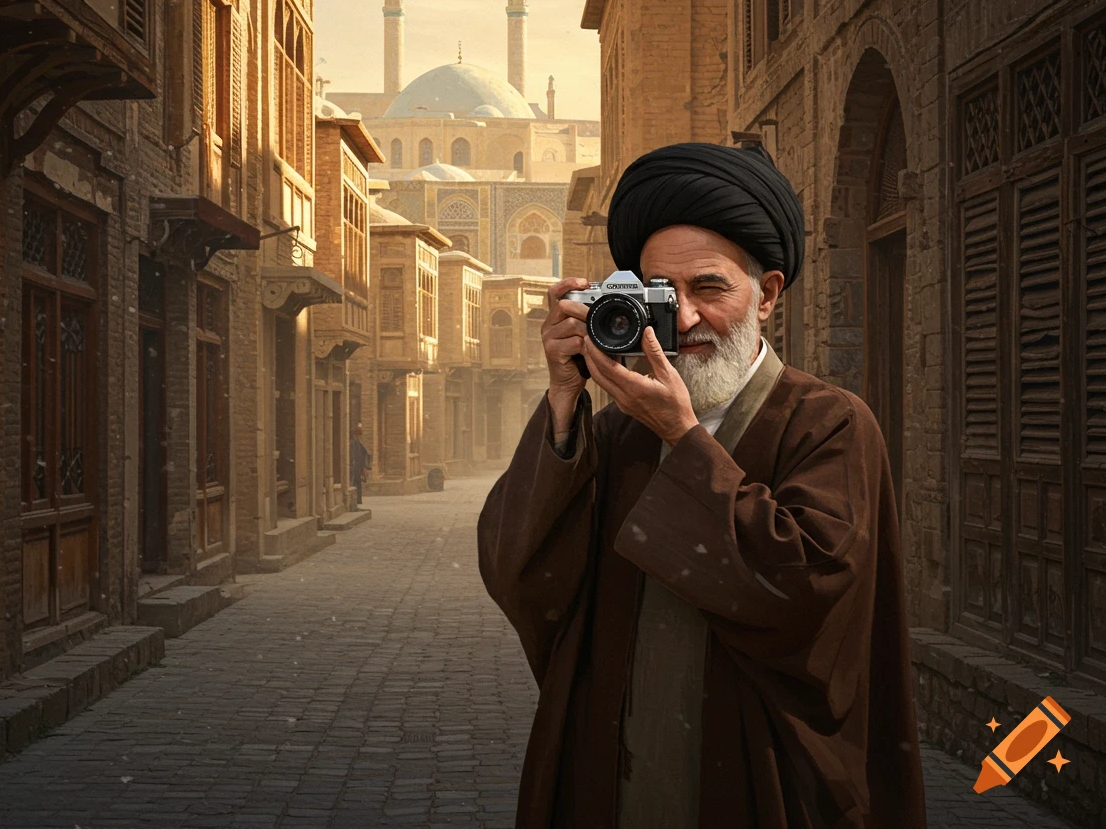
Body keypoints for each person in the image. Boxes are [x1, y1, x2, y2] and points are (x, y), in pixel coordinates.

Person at [477, 142, 926, 829]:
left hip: (759, 786)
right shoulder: (616, 432)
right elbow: (520, 574)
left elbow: (806, 594)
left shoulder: (827, 424)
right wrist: (565, 404)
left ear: (768, 294)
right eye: (661, 292)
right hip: (615, 779)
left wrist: (685, 443)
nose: (682, 320)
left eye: (709, 289)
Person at [350, 424, 372, 505]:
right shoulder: (355, 442)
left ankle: (357, 500)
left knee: (356, 484)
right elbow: (358, 455)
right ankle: (356, 500)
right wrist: (363, 467)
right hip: (356, 467)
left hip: (357, 467)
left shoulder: (355, 442)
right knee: (356, 484)